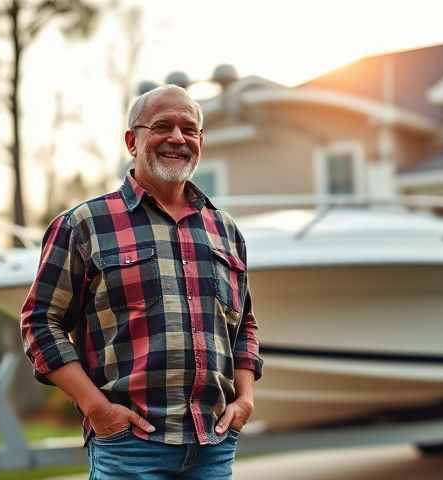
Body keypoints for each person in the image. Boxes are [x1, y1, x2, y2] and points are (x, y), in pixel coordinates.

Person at [20, 85, 262, 479]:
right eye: (163, 126)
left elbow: (243, 324)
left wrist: (245, 399)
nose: (177, 138)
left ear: (201, 141)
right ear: (132, 141)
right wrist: (96, 408)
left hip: (213, 447)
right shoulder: (84, 225)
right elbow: (40, 323)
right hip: (130, 448)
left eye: (189, 129)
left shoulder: (225, 230)